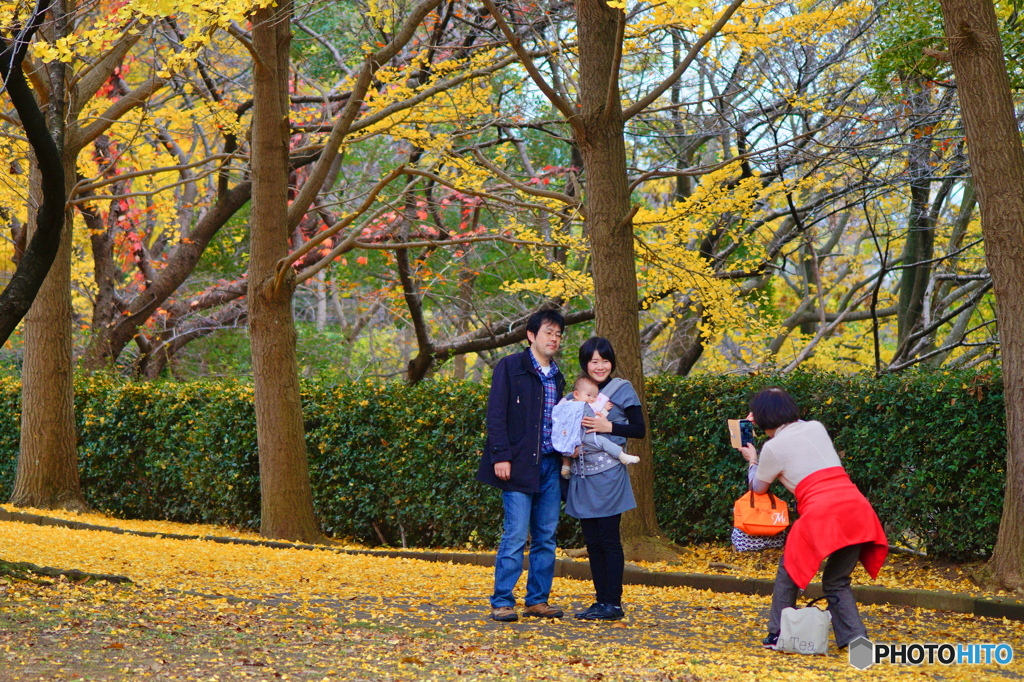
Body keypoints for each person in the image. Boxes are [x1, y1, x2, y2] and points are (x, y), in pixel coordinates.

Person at [738, 387, 888, 649]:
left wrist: (753, 460)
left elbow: (758, 488)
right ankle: (857, 642)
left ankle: (777, 634)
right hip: (856, 508)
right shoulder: (816, 427)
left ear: (761, 418)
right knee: (836, 580)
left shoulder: (773, 448)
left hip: (822, 514)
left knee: (790, 571)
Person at [475, 309, 566, 622]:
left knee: (546, 536)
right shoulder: (510, 366)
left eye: (558, 334)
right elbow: (496, 413)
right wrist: (500, 455)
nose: (554, 339)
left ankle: (537, 600)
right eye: (548, 333)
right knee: (515, 535)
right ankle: (502, 601)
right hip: (517, 465)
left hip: (551, 465)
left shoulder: (558, 375)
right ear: (531, 335)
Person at [564, 337, 645, 622]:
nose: (600, 366)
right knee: (593, 542)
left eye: (605, 360)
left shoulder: (622, 389)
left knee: (609, 540)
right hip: (582, 476)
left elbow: (639, 429)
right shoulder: (577, 394)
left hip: (609, 475)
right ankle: (600, 602)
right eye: (594, 361)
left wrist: (608, 425)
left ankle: (614, 602)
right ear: (585, 364)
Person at [553, 376, 640, 479]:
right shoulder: (584, 406)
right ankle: (621, 455)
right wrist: (605, 410)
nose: (592, 399)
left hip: (568, 435)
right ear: (576, 394)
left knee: (568, 447)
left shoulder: (567, 404)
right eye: (588, 395)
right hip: (582, 435)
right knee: (602, 441)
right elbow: (594, 419)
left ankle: (566, 467)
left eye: (595, 397)